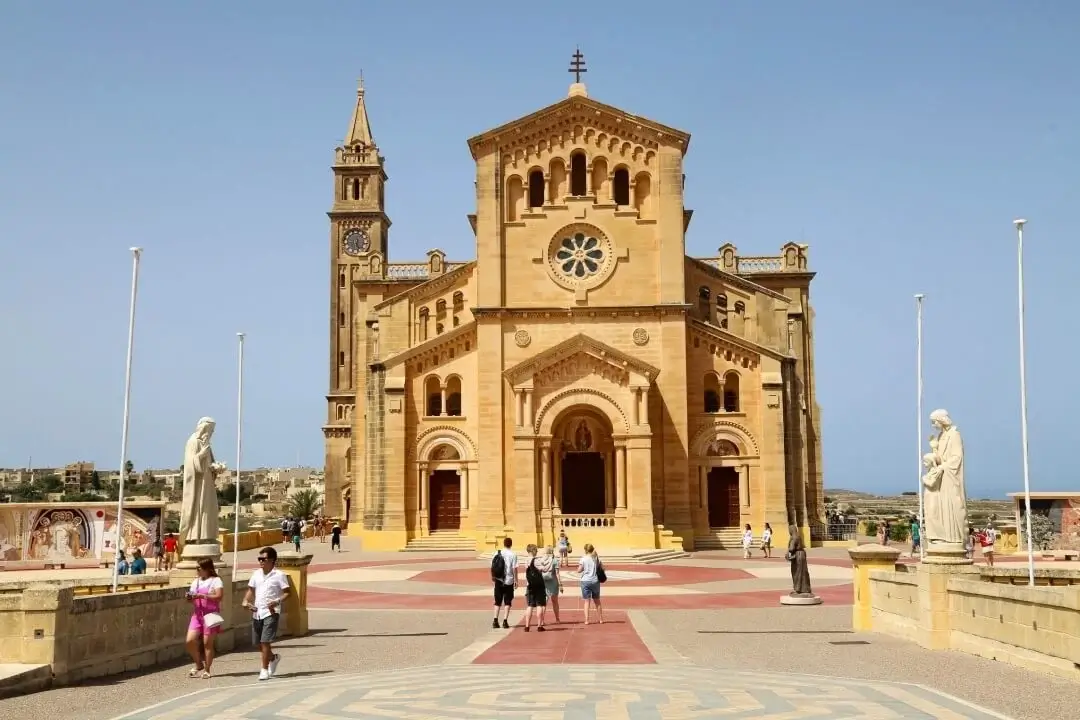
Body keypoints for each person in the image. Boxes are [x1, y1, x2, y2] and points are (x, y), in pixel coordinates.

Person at [242, 546, 291, 680]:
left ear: (272, 560)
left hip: (271, 612)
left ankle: (264, 669)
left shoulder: (279, 575)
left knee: (265, 642)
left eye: (263, 559)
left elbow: (287, 593)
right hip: (257, 612)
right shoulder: (256, 574)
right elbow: (251, 590)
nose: (261, 562)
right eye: (259, 559)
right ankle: (273, 658)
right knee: (258, 643)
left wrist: (276, 601)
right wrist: (246, 601)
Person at [185, 558, 224, 679]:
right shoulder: (195, 581)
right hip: (197, 614)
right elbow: (191, 597)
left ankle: (207, 669)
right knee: (190, 641)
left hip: (210, 615)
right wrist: (189, 597)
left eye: (199, 568)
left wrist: (203, 595)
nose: (197, 570)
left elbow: (219, 596)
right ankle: (198, 664)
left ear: (207, 569)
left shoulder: (216, 580)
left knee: (207, 643)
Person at [490, 537, 518, 630]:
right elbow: (514, 568)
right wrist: (516, 580)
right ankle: (505, 621)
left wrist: (493, 576)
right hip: (508, 580)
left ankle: (495, 620)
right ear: (511, 544)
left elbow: (492, 566)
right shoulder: (513, 554)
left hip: (498, 579)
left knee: (497, 601)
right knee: (507, 601)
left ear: (504, 544)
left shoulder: (497, 553)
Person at [523, 544, 548, 632]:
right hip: (539, 585)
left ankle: (527, 626)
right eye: (536, 550)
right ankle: (539, 625)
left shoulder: (525, 560)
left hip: (529, 585)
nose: (537, 552)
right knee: (539, 605)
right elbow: (544, 569)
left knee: (530, 606)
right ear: (533, 551)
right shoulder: (536, 560)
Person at [577, 543, 604, 625]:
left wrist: (580, 569)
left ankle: (587, 620)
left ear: (585, 550)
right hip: (595, 581)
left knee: (587, 601)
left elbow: (579, 570)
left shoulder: (583, 559)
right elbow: (602, 568)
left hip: (585, 581)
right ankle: (600, 619)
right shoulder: (596, 558)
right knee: (597, 601)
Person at [542, 545, 563, 623]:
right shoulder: (554, 560)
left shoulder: (541, 560)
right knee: (555, 601)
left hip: (544, 582)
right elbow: (557, 574)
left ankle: (542, 620)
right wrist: (560, 584)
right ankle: (557, 618)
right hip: (553, 582)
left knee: (544, 602)